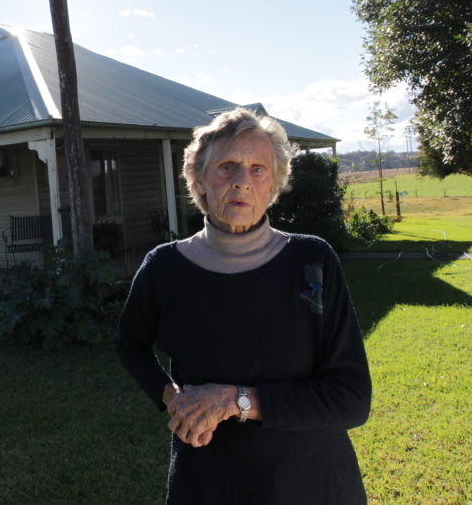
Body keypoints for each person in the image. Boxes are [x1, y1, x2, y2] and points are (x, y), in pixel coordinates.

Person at [114, 107, 371, 503]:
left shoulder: (312, 262)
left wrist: (234, 400)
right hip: (209, 482)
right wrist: (174, 400)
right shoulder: (165, 268)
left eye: (257, 169)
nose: (241, 182)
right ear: (199, 179)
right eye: (227, 167)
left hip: (312, 481)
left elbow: (351, 399)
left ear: (274, 184)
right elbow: (130, 343)